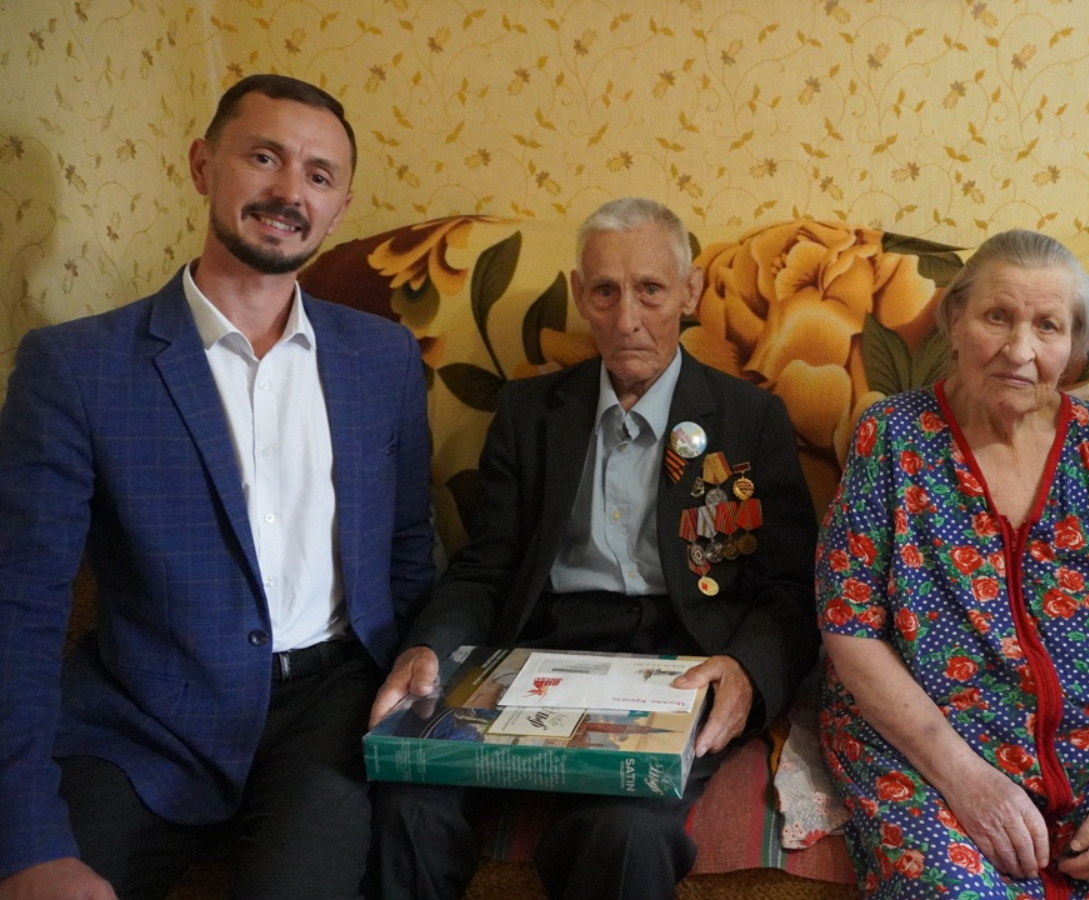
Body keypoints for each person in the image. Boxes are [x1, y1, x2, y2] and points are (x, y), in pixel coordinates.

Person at [0, 74, 434, 900]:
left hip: (331, 713)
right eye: (264, 157)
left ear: (339, 207)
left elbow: (410, 546)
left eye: (318, 175)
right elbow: (19, 606)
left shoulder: (383, 358)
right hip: (143, 719)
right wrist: (24, 844)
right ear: (203, 165)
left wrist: (420, 683)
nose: (289, 192)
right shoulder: (77, 368)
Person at [366, 197, 819, 900]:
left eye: (651, 290)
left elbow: (789, 588)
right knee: (410, 802)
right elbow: (485, 567)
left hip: (679, 658)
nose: (627, 318)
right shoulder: (529, 412)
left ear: (690, 292)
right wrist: (428, 647)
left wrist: (747, 671)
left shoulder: (750, 418)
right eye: (606, 292)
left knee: (626, 832)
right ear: (580, 295)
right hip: (540, 648)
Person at [816, 229, 1089, 899]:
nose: (1020, 350)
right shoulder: (890, 436)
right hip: (932, 753)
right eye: (997, 317)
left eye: (1048, 326)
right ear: (954, 320)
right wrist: (965, 780)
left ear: (1075, 346)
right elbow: (848, 627)